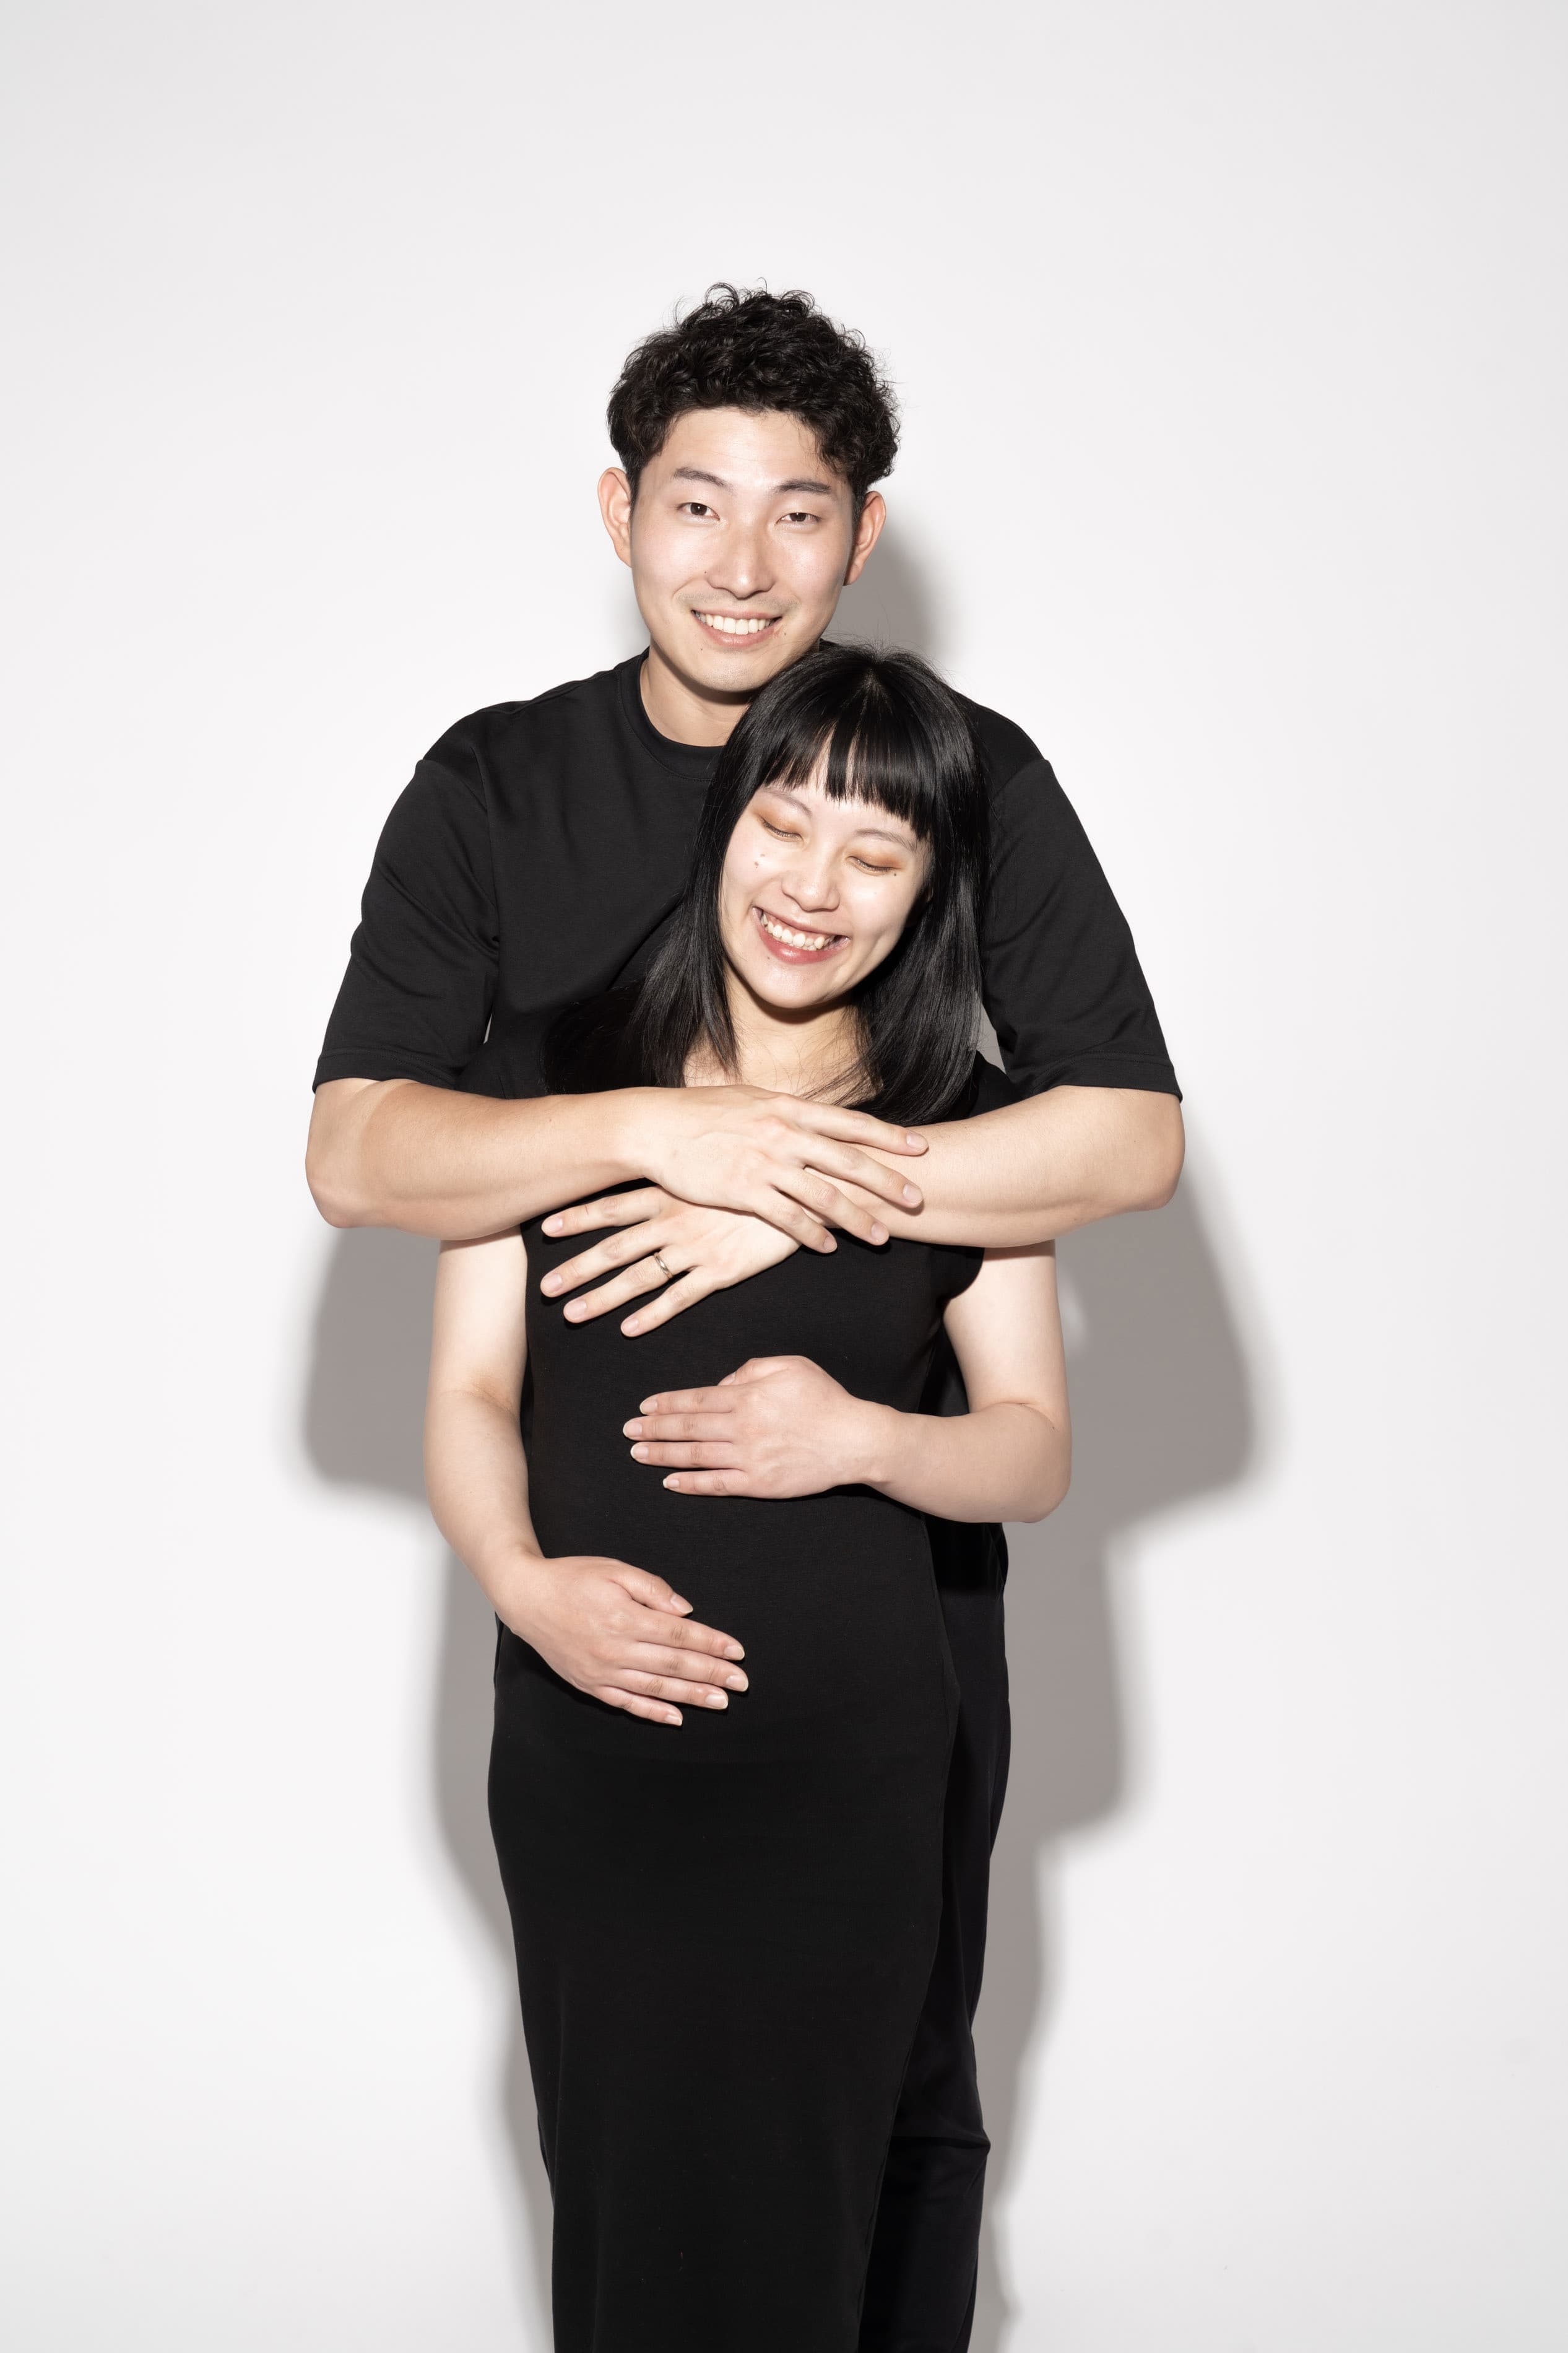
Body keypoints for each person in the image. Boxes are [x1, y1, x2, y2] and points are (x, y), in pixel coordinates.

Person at [307, 285, 1182, 2353]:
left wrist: (804, 1183)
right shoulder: (498, 790)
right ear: (620, 512)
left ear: (863, 535)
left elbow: (1127, 1142)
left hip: (893, 1619)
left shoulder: (967, 782)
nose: (744, 560)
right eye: (697, 503)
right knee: (639, 2139)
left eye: (801, 511)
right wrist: (654, 1136)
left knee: (901, 2100)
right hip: (600, 1618)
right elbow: (360, 1156)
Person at [424, 645, 1071, 2352]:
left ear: (930, 888)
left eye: (877, 853)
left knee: (824, 2211)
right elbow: (471, 1393)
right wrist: (525, 1583)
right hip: (595, 1751)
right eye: (785, 826)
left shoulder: (967, 1123)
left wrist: (862, 1437)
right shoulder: (546, 1071)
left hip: (853, 1766)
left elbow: (1030, 1447)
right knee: (625, 2208)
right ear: (724, 822)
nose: (814, 888)